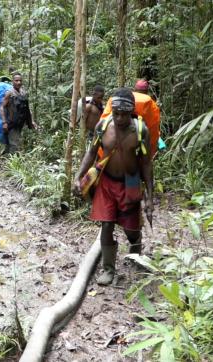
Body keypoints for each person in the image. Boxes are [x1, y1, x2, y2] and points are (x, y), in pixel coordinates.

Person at [73, 88, 154, 286]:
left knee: (131, 229)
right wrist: (78, 176)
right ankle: (108, 268)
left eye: (123, 114)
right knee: (106, 224)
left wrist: (150, 195)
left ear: (131, 112)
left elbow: (145, 163)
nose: (119, 118)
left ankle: (135, 253)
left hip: (131, 183)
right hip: (107, 182)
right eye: (116, 113)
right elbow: (92, 153)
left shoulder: (141, 130)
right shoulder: (103, 125)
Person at [0, 72, 37, 154]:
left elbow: (27, 108)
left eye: (20, 80)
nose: (18, 82)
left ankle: (6, 159)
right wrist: (4, 122)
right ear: (12, 81)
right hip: (11, 123)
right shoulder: (9, 93)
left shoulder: (23, 93)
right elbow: (2, 107)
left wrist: (31, 121)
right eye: (16, 80)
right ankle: (12, 164)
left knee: (13, 143)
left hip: (20, 123)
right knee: (14, 145)